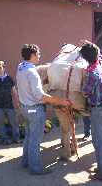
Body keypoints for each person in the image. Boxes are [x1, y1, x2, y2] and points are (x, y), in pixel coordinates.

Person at [16, 44, 70, 175]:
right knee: (35, 140)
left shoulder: (20, 67)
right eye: (38, 54)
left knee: (29, 136)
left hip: (25, 108)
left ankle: (25, 161)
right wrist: (61, 101)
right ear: (33, 55)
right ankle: (36, 168)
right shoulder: (32, 72)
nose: (40, 56)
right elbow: (40, 96)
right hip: (35, 110)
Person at [80, 43, 102, 181]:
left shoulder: (91, 73)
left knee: (98, 141)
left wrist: (82, 87)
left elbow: (86, 92)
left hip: (97, 109)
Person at [0, 60, 20, 145]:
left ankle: (16, 138)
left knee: (14, 123)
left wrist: (17, 102)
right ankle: (5, 140)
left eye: (0, 67)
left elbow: (14, 91)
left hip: (9, 105)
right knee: (1, 124)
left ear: (4, 68)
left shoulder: (9, 79)